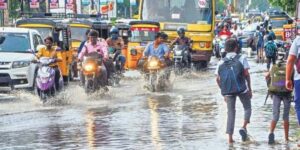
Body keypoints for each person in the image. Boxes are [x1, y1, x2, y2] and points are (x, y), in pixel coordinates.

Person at [215, 38, 252, 144]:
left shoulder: (221, 61)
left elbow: (217, 79)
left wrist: (224, 93)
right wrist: (249, 89)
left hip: (228, 91)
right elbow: (246, 74)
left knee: (231, 112)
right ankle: (244, 127)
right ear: (236, 47)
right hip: (242, 89)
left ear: (225, 49)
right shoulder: (242, 58)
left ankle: (230, 139)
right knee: (247, 107)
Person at [265, 59, 292, 144]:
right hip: (287, 93)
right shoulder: (290, 66)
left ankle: (271, 132)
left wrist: (269, 87)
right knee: (286, 116)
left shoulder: (274, 66)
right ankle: (286, 139)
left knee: (275, 115)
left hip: (275, 93)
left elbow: (267, 76)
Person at [286, 36, 300, 147]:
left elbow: (290, 60)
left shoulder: (298, 40)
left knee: (299, 106)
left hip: (299, 79)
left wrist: (287, 79)